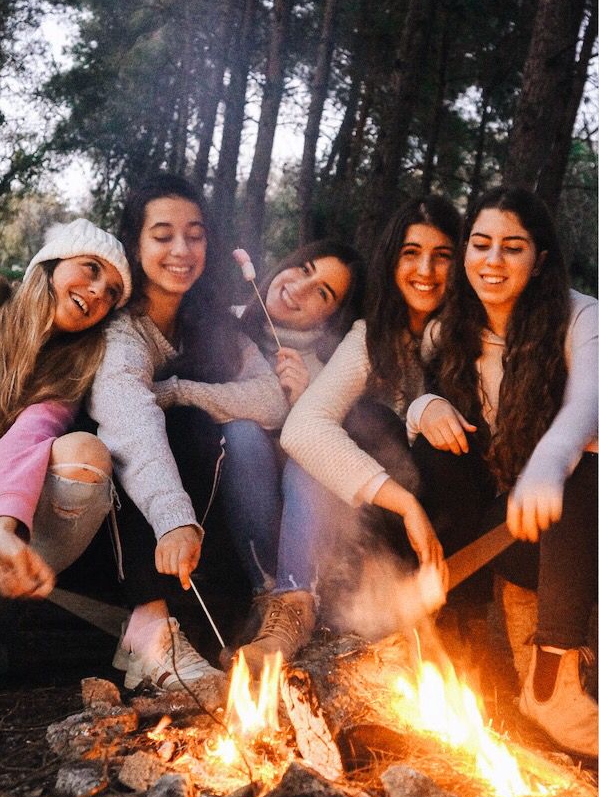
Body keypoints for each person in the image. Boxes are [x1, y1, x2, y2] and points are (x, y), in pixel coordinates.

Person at [407, 187, 598, 758]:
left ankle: (552, 681)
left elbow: (589, 398)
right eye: (480, 244)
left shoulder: (581, 318)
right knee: (437, 448)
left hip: (579, 519)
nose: (492, 261)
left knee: (588, 461)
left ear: (539, 261)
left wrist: (549, 460)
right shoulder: (448, 332)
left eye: (512, 248)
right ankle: (450, 630)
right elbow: (398, 405)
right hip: (502, 531)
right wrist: (423, 409)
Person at [234, 195, 460, 673]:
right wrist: (407, 503)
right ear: (392, 261)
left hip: (444, 518)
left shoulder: (471, 337)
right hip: (377, 523)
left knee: (368, 427)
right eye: (410, 252)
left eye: (442, 255)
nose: (425, 269)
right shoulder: (368, 337)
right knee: (340, 435)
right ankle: (288, 607)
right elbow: (306, 429)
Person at [87, 173, 291, 693]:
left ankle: (255, 604)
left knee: (203, 419)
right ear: (135, 243)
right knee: (161, 427)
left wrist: (179, 390)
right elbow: (131, 426)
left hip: (191, 524)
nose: (182, 249)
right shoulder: (120, 329)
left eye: (195, 234)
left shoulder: (213, 321)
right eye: (162, 235)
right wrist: (174, 518)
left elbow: (270, 398)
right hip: (112, 509)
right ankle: (148, 628)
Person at [0, 218, 132, 687]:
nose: (99, 292)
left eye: (113, 293)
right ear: (50, 264)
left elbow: (27, 440)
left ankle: (5, 594)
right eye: (90, 269)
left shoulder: (67, 373)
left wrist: (0, 527)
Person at [217, 240, 366, 664]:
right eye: (304, 269)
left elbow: (340, 466)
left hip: (313, 537)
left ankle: (294, 607)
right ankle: (267, 601)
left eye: (322, 292)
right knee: (242, 433)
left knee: (314, 444)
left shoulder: (329, 370)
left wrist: (304, 406)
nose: (300, 287)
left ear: (332, 316)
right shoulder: (223, 327)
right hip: (233, 528)